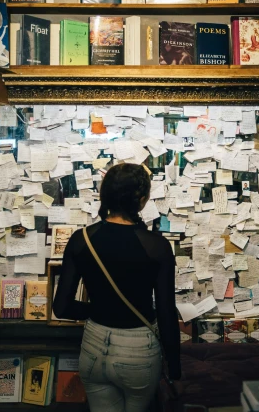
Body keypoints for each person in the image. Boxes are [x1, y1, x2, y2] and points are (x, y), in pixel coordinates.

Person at [53, 163, 181, 412]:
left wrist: (96, 309)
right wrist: (175, 368)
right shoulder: (157, 246)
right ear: (142, 200)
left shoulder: (82, 239)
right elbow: (166, 313)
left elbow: (61, 307)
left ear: (105, 196)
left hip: (93, 346)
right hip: (138, 350)